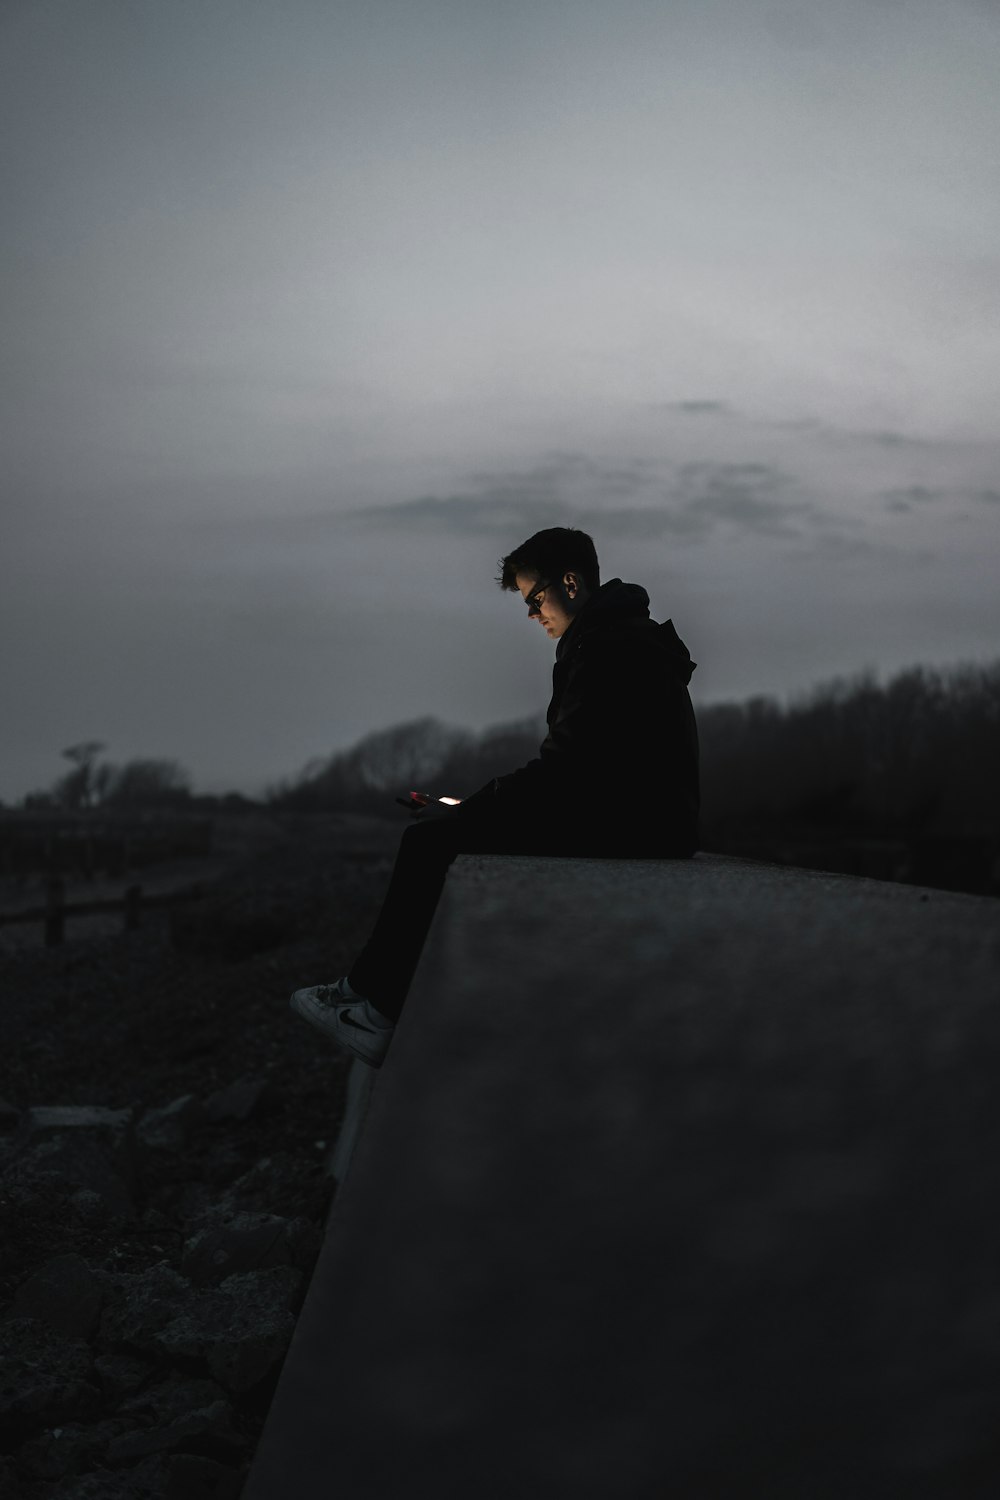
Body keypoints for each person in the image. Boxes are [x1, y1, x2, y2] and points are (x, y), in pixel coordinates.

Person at [290, 526, 699, 1066]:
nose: (533, 617)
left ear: (570, 582)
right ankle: (362, 991)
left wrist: (479, 806)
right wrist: (479, 805)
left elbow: (565, 770)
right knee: (442, 832)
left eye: (535, 599)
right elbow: (581, 766)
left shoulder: (608, 646)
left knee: (428, 844)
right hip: (640, 814)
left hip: (635, 823)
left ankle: (373, 1012)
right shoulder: (618, 635)